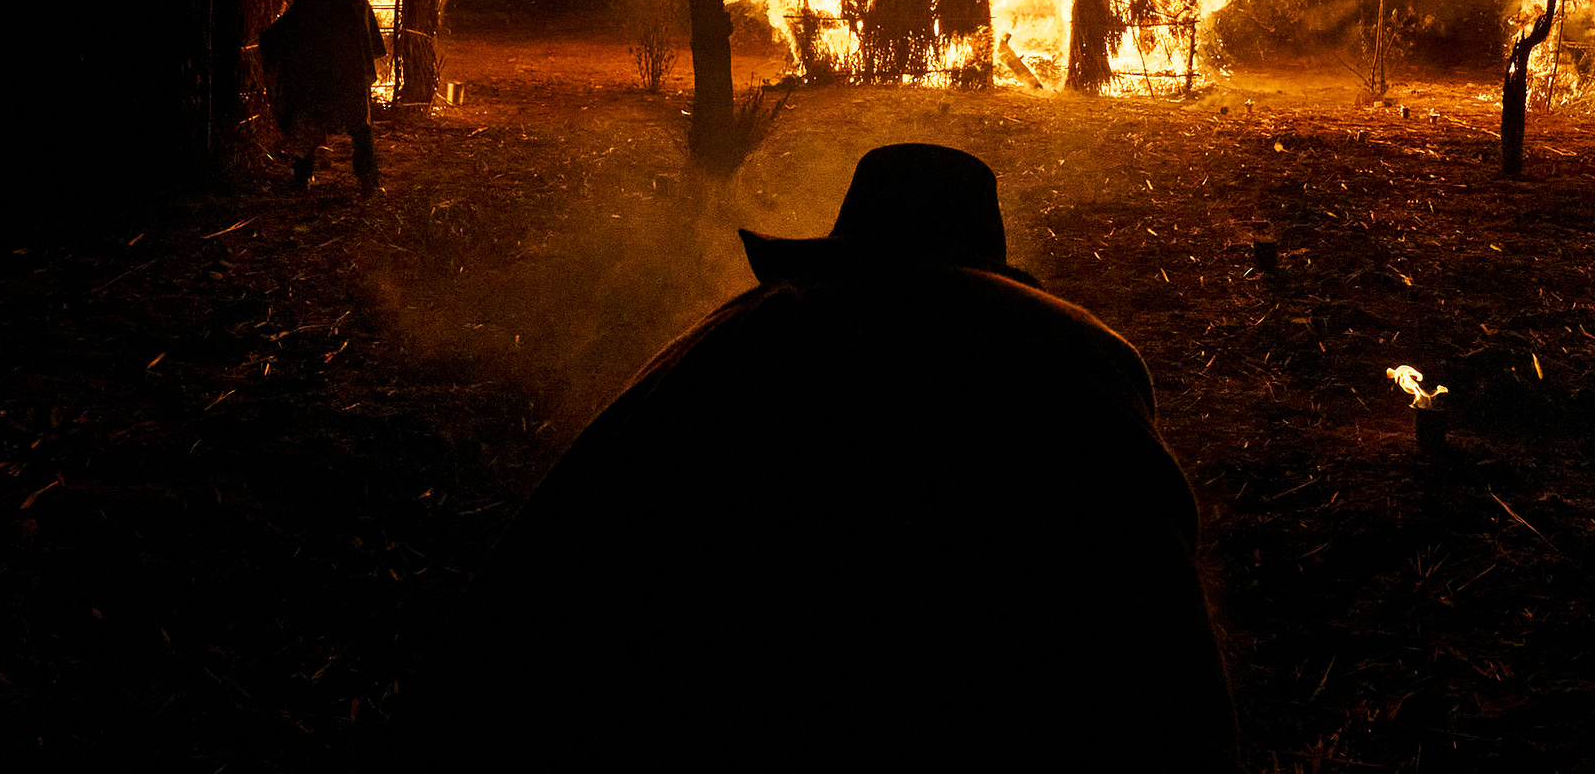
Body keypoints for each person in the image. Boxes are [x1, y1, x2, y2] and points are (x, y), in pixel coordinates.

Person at [429, 143, 1237, 770]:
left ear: (852, 243)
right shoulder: (1070, 352)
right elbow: (1152, 597)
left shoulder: (752, 334)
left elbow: (572, 533)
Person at [257, 0, 385, 194]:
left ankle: (302, 178)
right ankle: (367, 180)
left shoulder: (308, 2)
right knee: (360, 127)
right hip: (349, 79)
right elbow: (372, 46)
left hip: (313, 78)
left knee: (307, 124)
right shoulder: (358, 3)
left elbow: (277, 36)